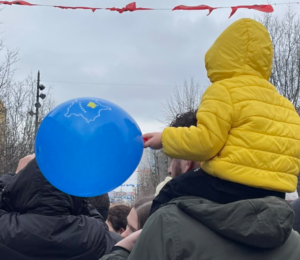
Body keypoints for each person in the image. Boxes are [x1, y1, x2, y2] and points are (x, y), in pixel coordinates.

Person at [100, 18, 300, 260]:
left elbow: (206, 142)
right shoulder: (285, 105)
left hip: (230, 185)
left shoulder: (224, 90)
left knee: (172, 191)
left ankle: (148, 233)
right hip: (276, 192)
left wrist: (165, 138)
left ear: (221, 55)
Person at [0, 156, 115, 260]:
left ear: (20, 186)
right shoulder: (94, 233)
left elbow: (5, 199)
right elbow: (97, 216)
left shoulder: (4, 227)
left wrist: (13, 177)